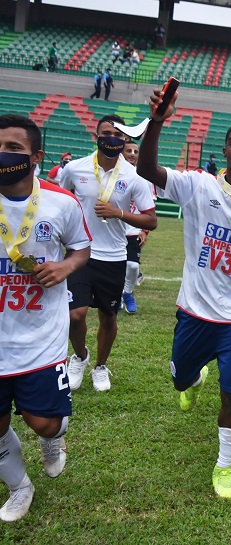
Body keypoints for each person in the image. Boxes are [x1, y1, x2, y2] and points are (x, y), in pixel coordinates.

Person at [137, 86, 231, 499]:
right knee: (179, 379)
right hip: (195, 311)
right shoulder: (198, 186)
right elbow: (148, 170)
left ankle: (224, 467)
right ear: (224, 151)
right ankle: (193, 377)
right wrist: (157, 120)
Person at [0, 114, 91, 522]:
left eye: (14, 148)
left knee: (44, 423)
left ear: (36, 156)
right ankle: (20, 487)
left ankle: (53, 440)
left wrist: (65, 268)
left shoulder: (61, 202)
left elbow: (81, 249)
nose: (3, 154)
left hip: (41, 337)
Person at [59, 115, 157, 393]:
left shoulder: (134, 176)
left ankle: (100, 365)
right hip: (79, 253)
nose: (111, 139)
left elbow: (151, 220)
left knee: (108, 316)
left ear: (125, 139)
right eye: (106, 133)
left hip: (114, 256)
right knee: (75, 315)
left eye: (118, 135)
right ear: (96, 135)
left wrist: (120, 214)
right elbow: (59, 200)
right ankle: (79, 356)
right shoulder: (75, 169)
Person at [120, 141, 153, 314]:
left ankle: (127, 292)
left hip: (133, 231)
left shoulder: (144, 178)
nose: (132, 153)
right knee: (115, 266)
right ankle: (116, 295)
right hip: (113, 231)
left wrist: (144, 231)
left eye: (136, 151)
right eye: (129, 151)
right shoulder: (113, 175)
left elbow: (148, 208)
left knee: (133, 266)